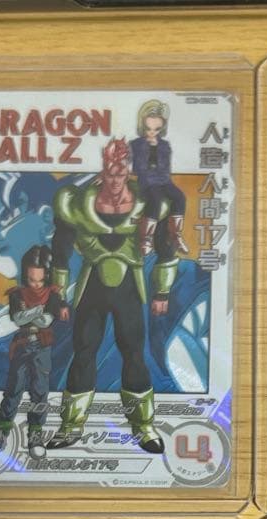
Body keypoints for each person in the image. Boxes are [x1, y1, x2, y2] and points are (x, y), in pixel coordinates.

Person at [49, 138, 178, 452]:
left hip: (130, 288)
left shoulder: (150, 202)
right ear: (103, 170)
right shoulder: (76, 203)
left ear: (129, 170)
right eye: (111, 170)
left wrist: (162, 291)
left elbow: (166, 247)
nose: (116, 177)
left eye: (122, 170)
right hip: (91, 288)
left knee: (134, 354)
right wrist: (59, 296)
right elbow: (61, 250)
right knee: (84, 354)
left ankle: (143, 426)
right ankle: (70, 425)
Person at [0, 244, 68, 457]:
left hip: (42, 347)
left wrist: (30, 313)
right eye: (31, 279)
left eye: (40, 280)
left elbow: (46, 320)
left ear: (46, 276)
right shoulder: (17, 294)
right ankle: (1, 432)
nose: (36, 284)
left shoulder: (53, 295)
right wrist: (38, 311)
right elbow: (18, 319)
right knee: (13, 390)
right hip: (21, 346)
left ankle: (35, 435)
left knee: (40, 392)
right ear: (25, 275)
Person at [130, 99, 189, 257]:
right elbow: (136, 167)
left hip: (164, 180)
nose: (152, 132)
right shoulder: (136, 144)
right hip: (147, 182)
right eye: (148, 128)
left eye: (156, 129)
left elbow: (166, 167)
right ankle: (146, 238)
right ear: (142, 125)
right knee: (155, 199)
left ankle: (176, 235)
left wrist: (161, 176)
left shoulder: (164, 145)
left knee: (180, 197)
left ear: (162, 127)